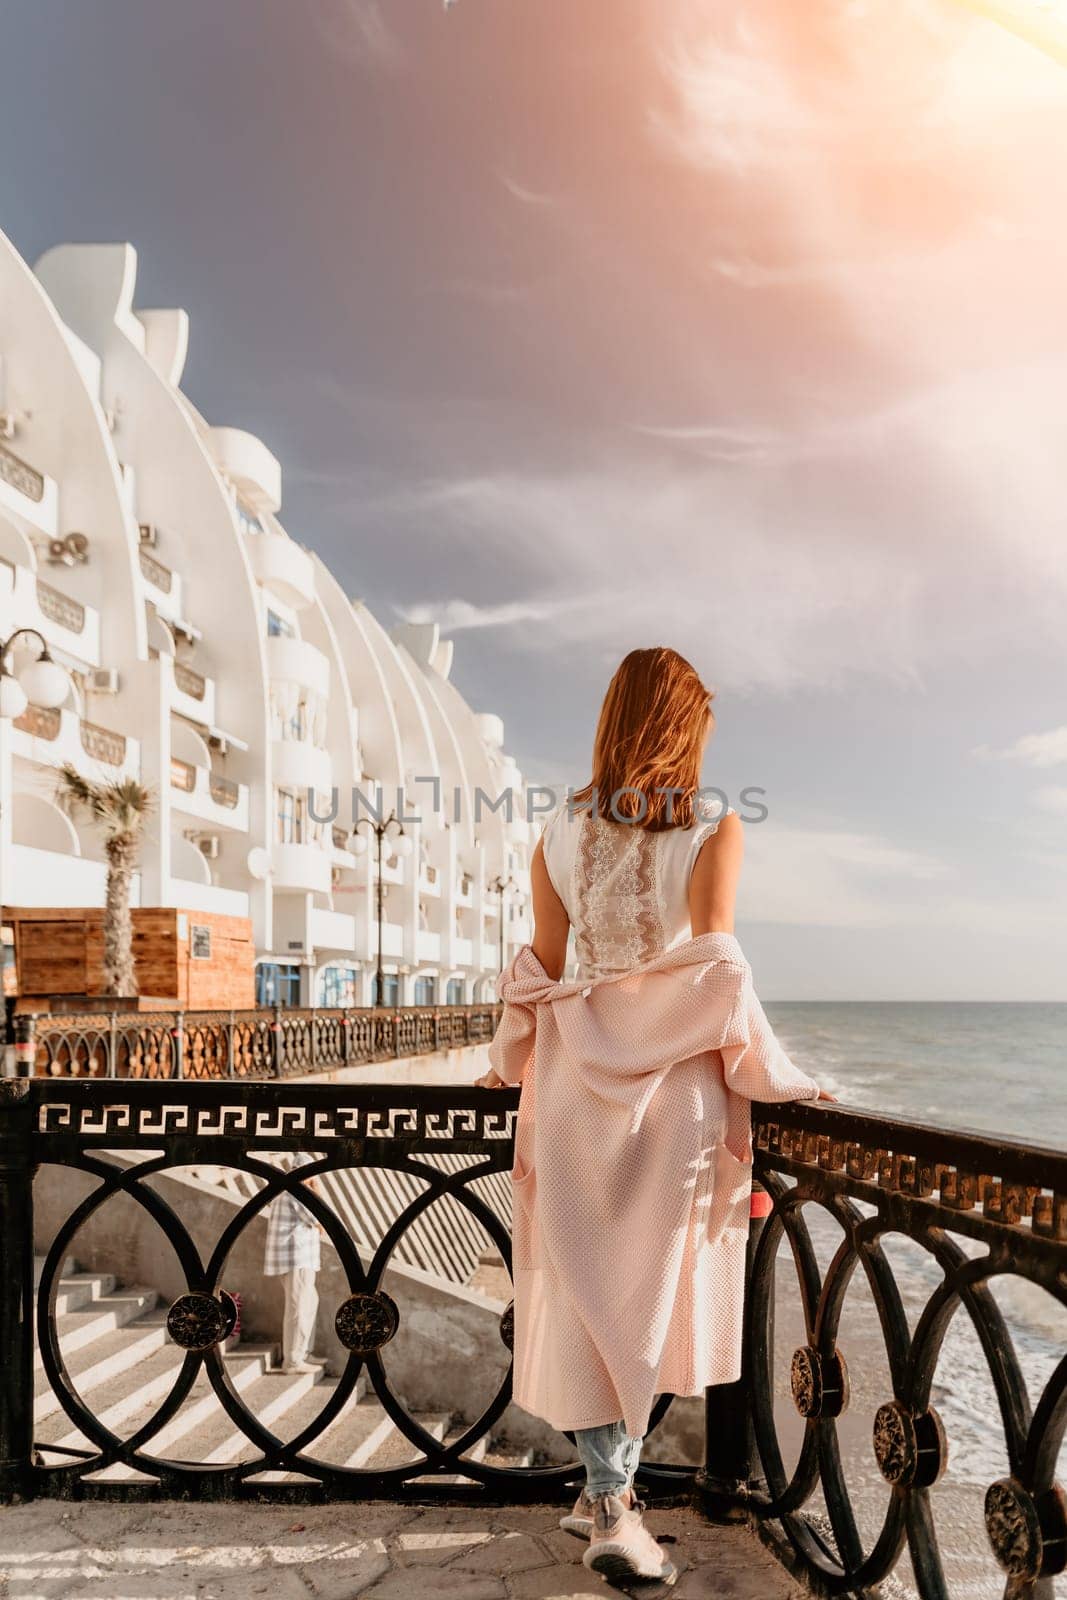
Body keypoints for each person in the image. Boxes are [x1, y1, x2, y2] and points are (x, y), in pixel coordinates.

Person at [474, 646, 834, 1586]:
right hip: (670, 1086)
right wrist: (776, 1070)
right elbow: (713, 958)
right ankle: (610, 1507)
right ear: (686, 728)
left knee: (585, 1288)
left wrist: (504, 1057)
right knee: (644, 1297)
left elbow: (546, 966)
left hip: (569, 1084)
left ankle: (599, 1489)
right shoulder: (712, 826)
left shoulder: (556, 828)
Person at [263, 1151, 327, 1375]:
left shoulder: (287, 1191)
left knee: (308, 1303)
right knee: (299, 1308)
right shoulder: (297, 1193)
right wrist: (316, 1190)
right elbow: (320, 1220)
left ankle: (302, 1353)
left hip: (298, 1259)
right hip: (297, 1259)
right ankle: (292, 1361)